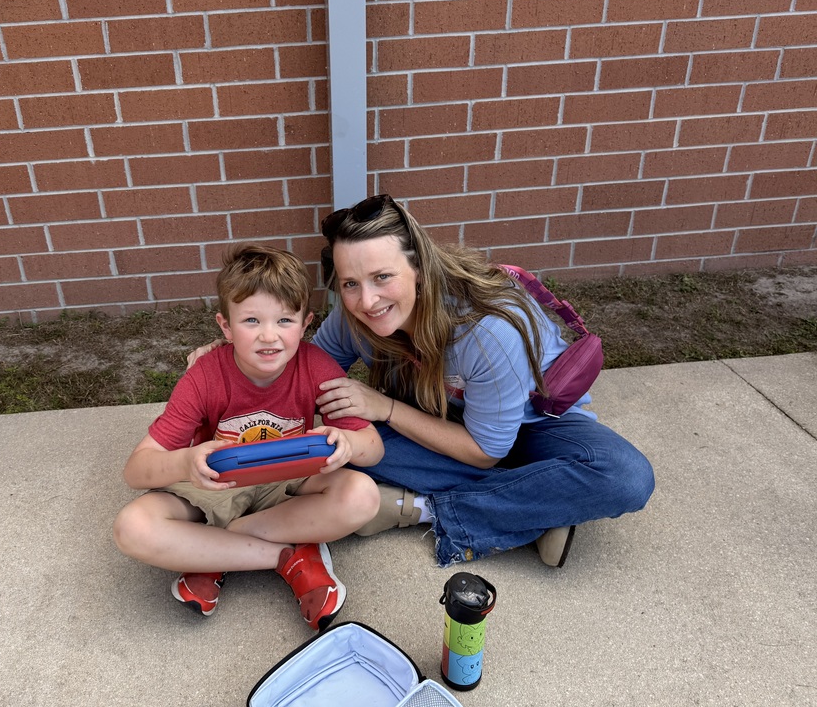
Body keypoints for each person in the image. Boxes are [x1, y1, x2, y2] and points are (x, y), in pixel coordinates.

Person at [190, 195, 655, 569]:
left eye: (382, 277)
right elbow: (300, 373)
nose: (366, 300)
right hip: (439, 423)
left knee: (625, 476)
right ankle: (542, 504)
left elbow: (485, 450)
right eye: (349, 284)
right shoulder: (354, 315)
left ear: (419, 267)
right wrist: (230, 362)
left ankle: (432, 509)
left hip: (533, 428)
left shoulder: (487, 329)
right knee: (338, 450)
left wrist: (385, 408)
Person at [113, 244, 383, 630]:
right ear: (225, 326)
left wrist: (348, 444)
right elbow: (136, 470)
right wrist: (185, 462)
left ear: (306, 324)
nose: (268, 337)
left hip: (288, 482)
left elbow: (373, 448)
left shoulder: (316, 366)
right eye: (251, 321)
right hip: (217, 487)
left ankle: (211, 552)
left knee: (362, 494)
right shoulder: (205, 375)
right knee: (133, 526)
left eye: (284, 321)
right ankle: (288, 557)